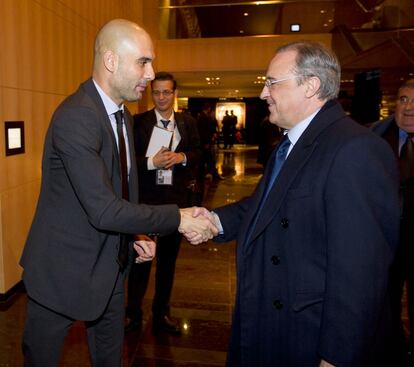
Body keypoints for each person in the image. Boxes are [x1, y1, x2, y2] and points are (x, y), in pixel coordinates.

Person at [185, 41, 400, 366]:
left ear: (310, 86)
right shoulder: (292, 143)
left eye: (272, 82)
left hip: (308, 335)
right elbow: (265, 205)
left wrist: (336, 356)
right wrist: (215, 221)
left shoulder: (355, 150)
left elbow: (361, 274)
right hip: (276, 323)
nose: (263, 94)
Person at [19, 19, 217, 367]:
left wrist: (136, 232)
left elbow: (119, 191)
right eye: (143, 62)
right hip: (61, 273)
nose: (151, 73)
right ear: (111, 61)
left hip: (110, 268)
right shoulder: (77, 117)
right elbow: (103, 210)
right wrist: (179, 216)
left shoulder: (122, 116)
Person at [126, 72, 201, 335]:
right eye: (156, 92)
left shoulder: (187, 122)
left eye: (166, 92)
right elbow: (128, 162)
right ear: (151, 93)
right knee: (141, 261)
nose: (161, 97)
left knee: (168, 263)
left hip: (175, 203)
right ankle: (132, 314)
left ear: (174, 93)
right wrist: (151, 162)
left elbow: (198, 153)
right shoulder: (137, 123)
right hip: (146, 203)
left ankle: (161, 314)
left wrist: (181, 157)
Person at [371, 79, 414, 366]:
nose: (408, 108)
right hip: (383, 245)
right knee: (382, 309)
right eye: (402, 99)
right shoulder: (372, 140)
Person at [197, 103, 223, 180]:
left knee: (204, 159)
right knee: (209, 159)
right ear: (208, 108)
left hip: (204, 142)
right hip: (205, 142)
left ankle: (201, 175)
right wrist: (207, 142)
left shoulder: (202, 116)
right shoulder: (203, 117)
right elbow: (203, 131)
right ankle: (214, 175)